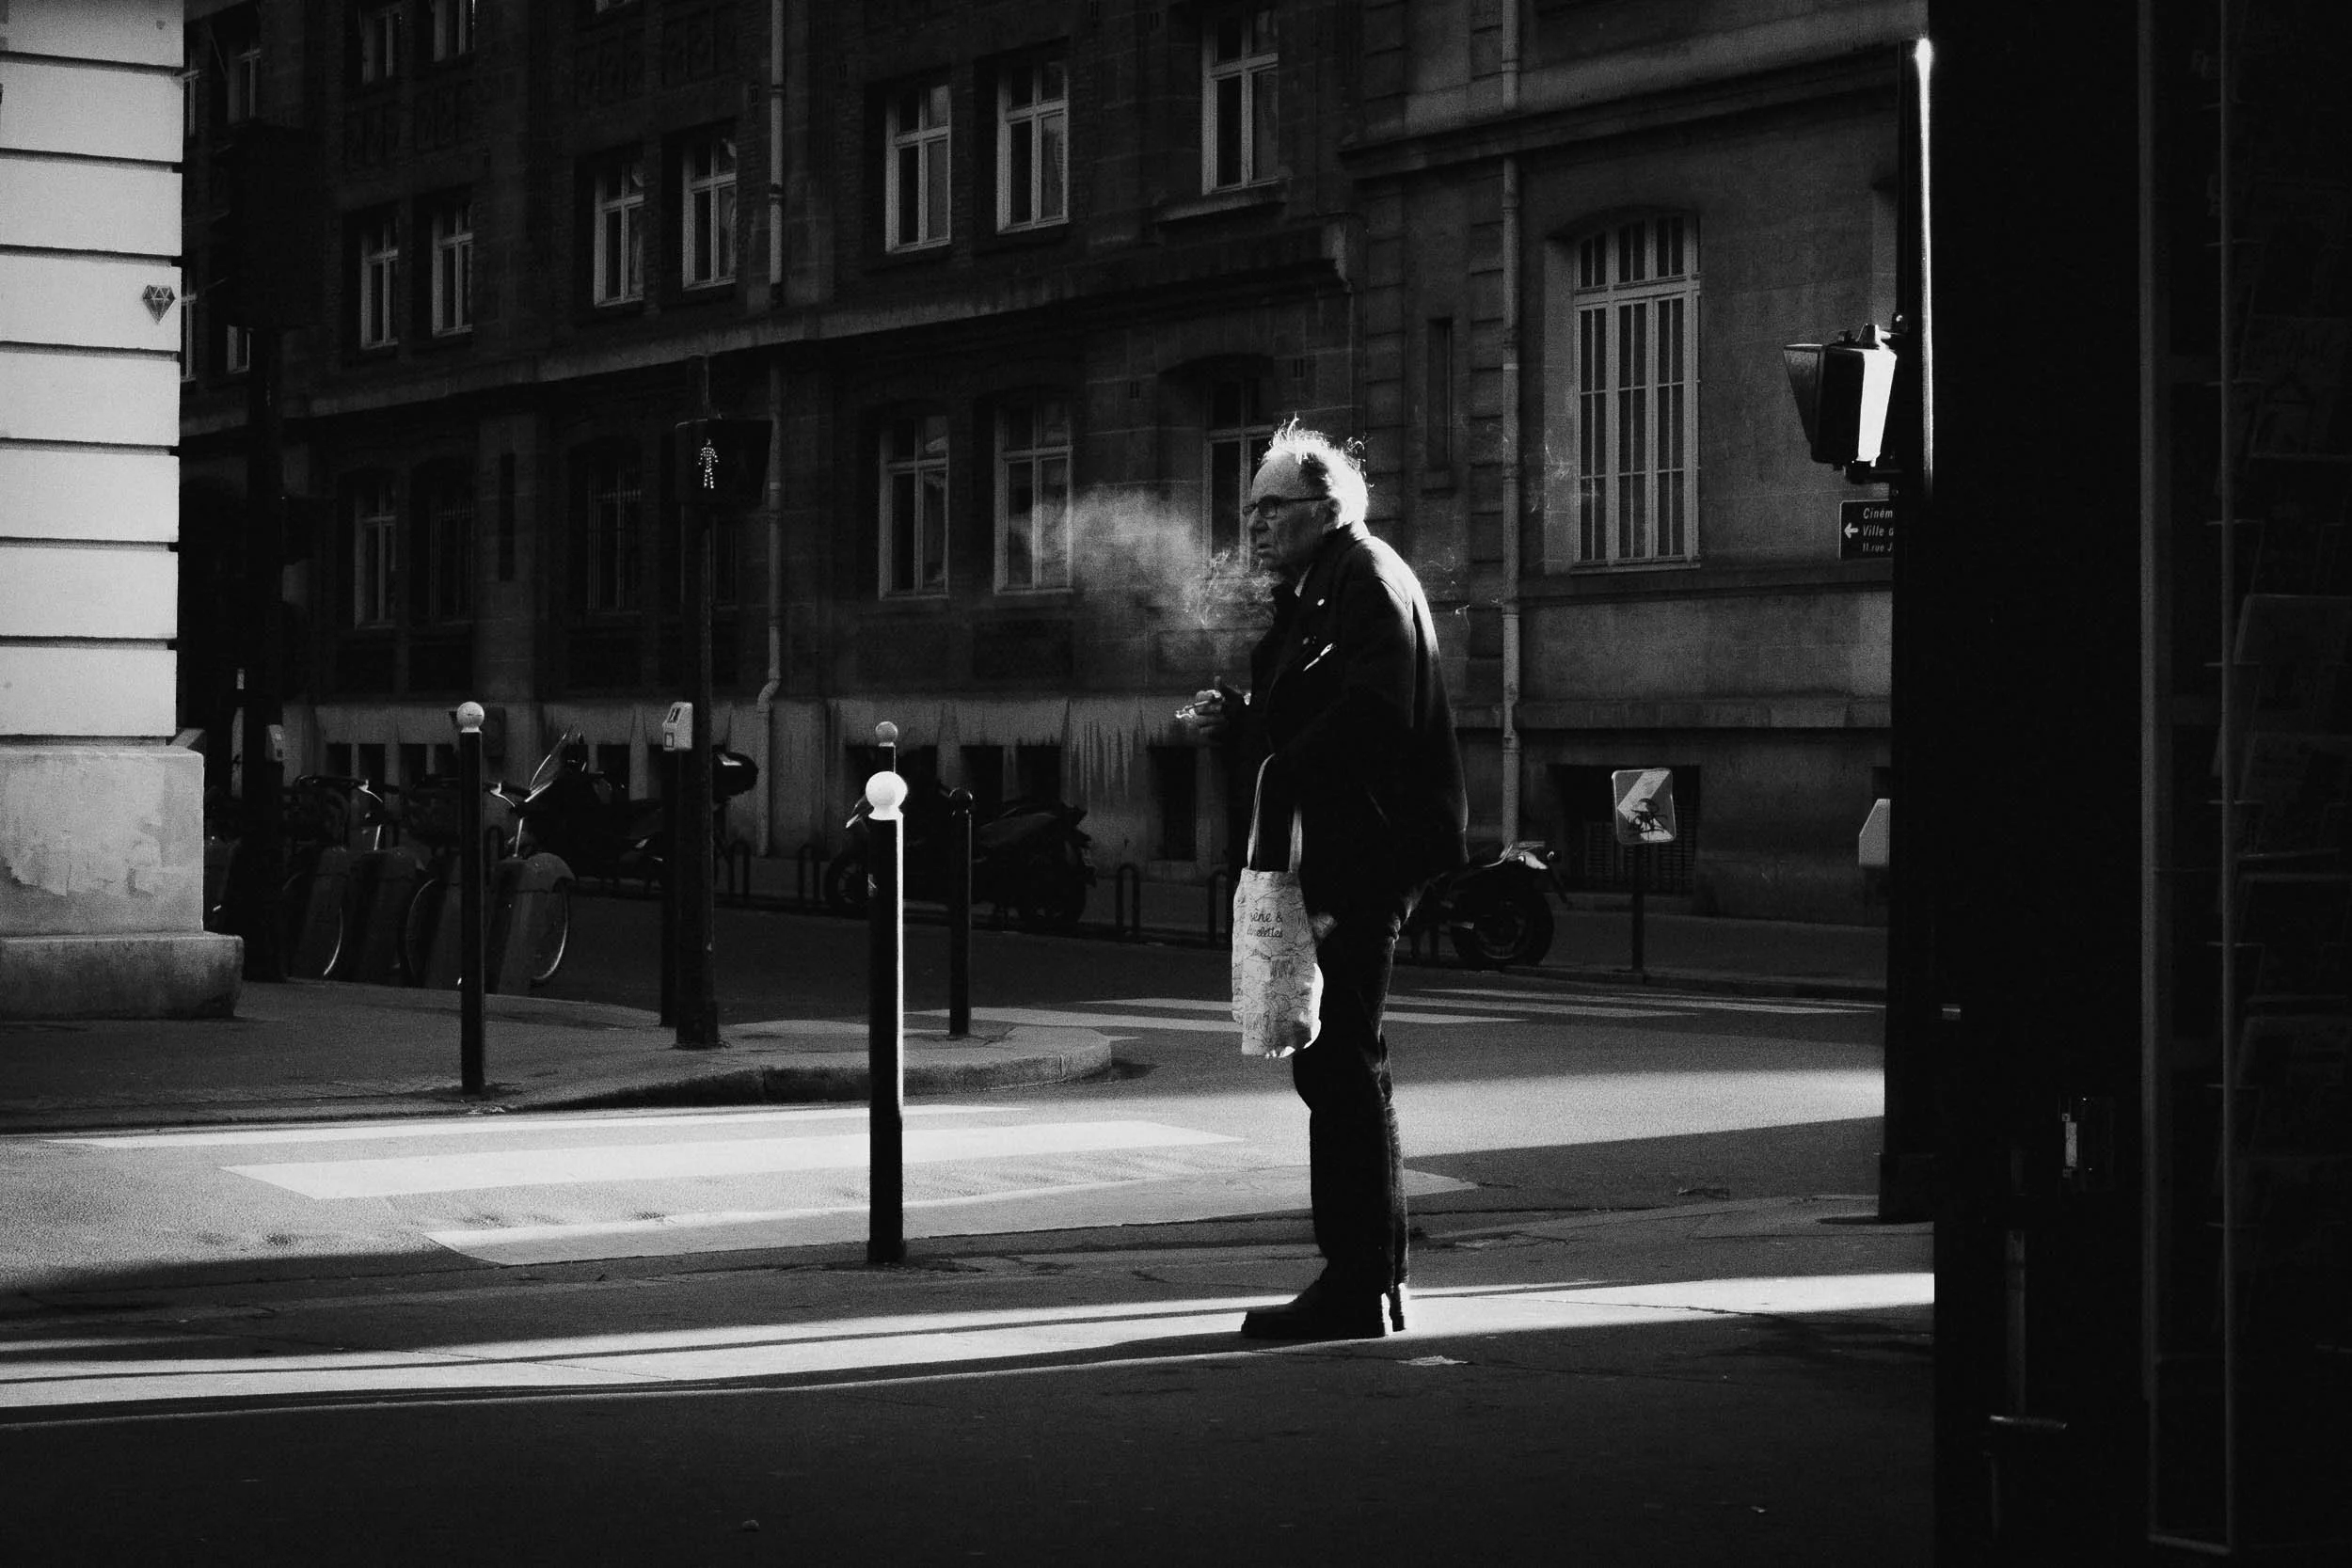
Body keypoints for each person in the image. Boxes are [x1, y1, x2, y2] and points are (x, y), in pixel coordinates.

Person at [1184, 420, 1467, 1339]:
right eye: (1249, 509)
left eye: (1271, 507)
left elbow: (1377, 710)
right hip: (1336, 848)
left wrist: (1281, 764)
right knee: (1340, 1058)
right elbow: (1316, 703)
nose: (1254, 524)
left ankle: (1359, 1283)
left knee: (1338, 1059)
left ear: (1325, 507)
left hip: (1362, 852)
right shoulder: (1318, 588)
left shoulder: (1365, 575)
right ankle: (1370, 1281)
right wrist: (1244, 723)